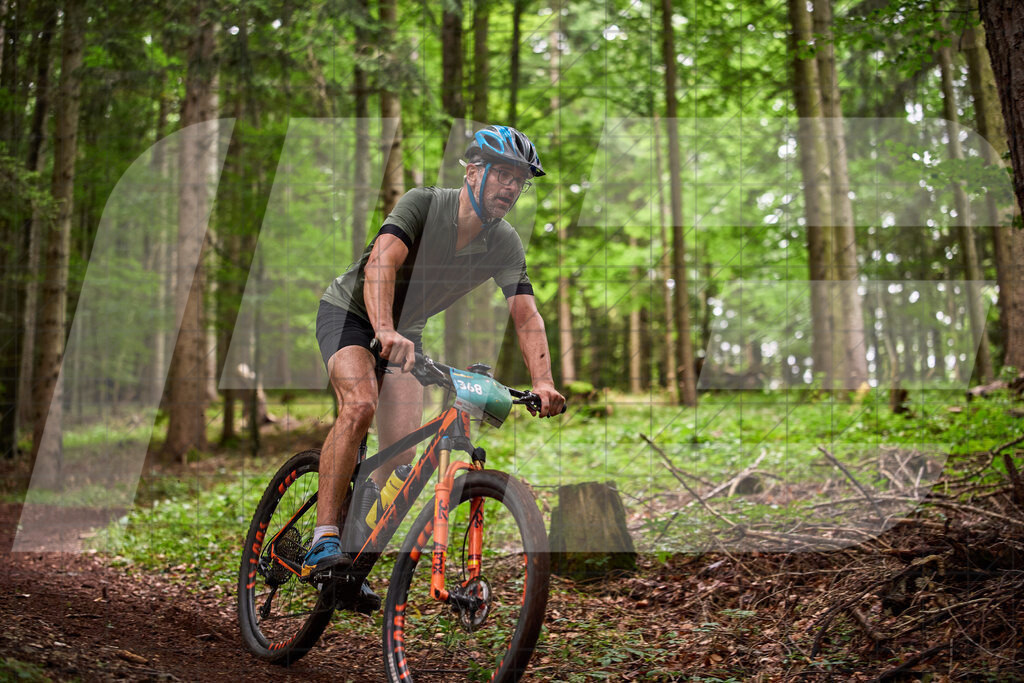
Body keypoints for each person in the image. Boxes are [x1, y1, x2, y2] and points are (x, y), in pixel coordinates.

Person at [302, 126, 566, 599]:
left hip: (406, 334)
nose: (510, 187)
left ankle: (353, 547)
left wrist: (543, 381)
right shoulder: (423, 204)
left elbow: (526, 314)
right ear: (473, 171)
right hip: (351, 312)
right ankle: (323, 539)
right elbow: (381, 264)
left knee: (400, 453)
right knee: (360, 405)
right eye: (502, 174)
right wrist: (384, 329)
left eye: (519, 180)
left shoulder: (504, 242)